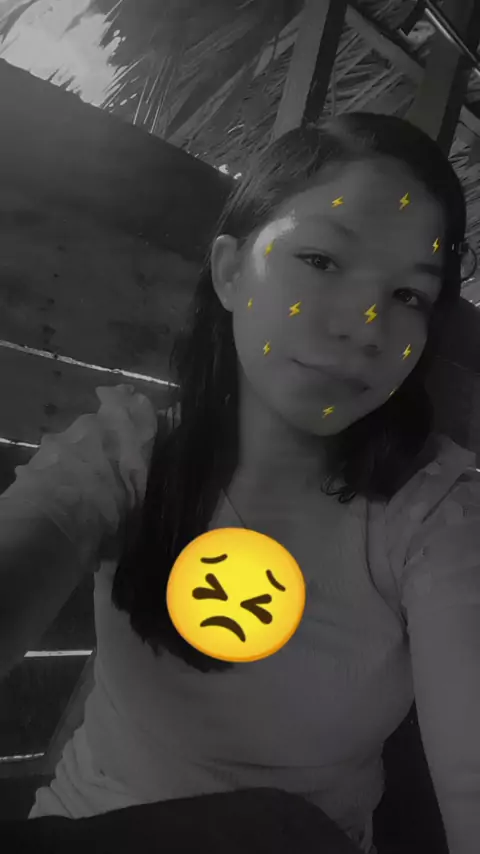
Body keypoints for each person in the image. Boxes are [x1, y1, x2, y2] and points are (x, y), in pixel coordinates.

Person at [7, 113, 479, 854]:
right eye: (322, 259)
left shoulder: (432, 515)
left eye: (408, 296)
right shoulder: (126, 456)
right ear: (231, 271)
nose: (366, 327)